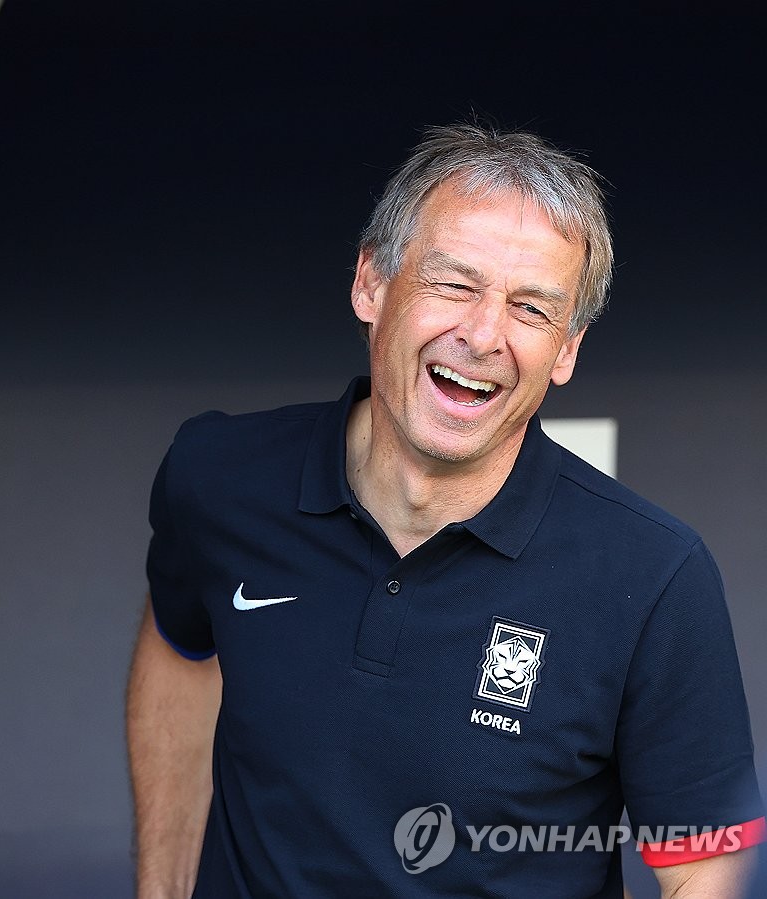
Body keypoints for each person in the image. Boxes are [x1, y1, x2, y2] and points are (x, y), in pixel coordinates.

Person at [125, 123, 764, 898]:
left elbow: (702, 860)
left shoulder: (655, 574)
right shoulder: (220, 477)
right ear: (371, 282)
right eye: (454, 283)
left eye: (531, 307)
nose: (483, 333)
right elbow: (178, 645)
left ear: (567, 349)